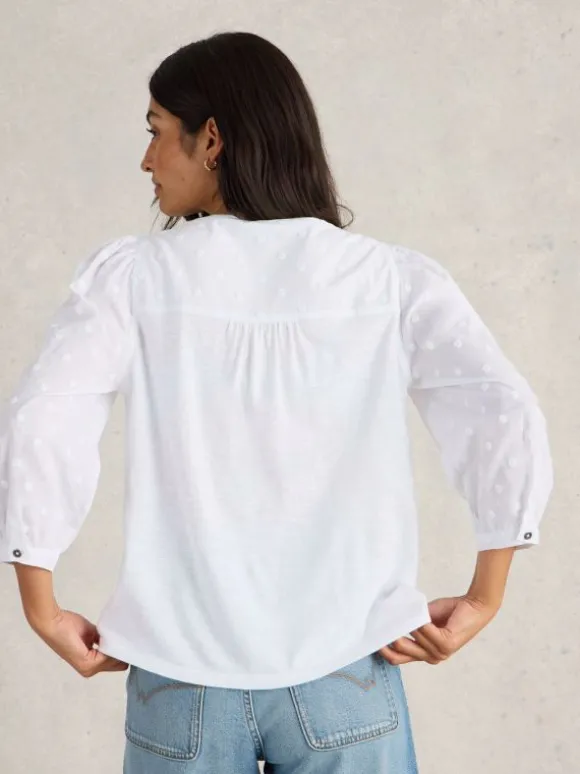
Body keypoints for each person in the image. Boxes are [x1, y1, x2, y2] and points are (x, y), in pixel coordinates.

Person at [0, 30, 553, 774]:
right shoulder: (384, 278)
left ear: (212, 139)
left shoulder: (133, 278)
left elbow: (43, 416)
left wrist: (40, 601)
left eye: (156, 132)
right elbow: (501, 409)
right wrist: (486, 593)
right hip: (346, 670)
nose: (146, 160)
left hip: (182, 676)